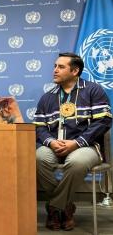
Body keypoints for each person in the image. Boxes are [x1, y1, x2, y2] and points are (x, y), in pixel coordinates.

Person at [33, 52, 112, 231]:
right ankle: (66, 206)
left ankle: (55, 208)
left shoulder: (93, 90)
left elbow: (104, 121)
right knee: (38, 158)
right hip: (54, 145)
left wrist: (77, 143)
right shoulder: (47, 97)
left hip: (87, 146)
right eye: (55, 66)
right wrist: (51, 142)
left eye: (60, 67)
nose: (54, 70)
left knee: (76, 161)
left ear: (75, 70)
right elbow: (39, 127)